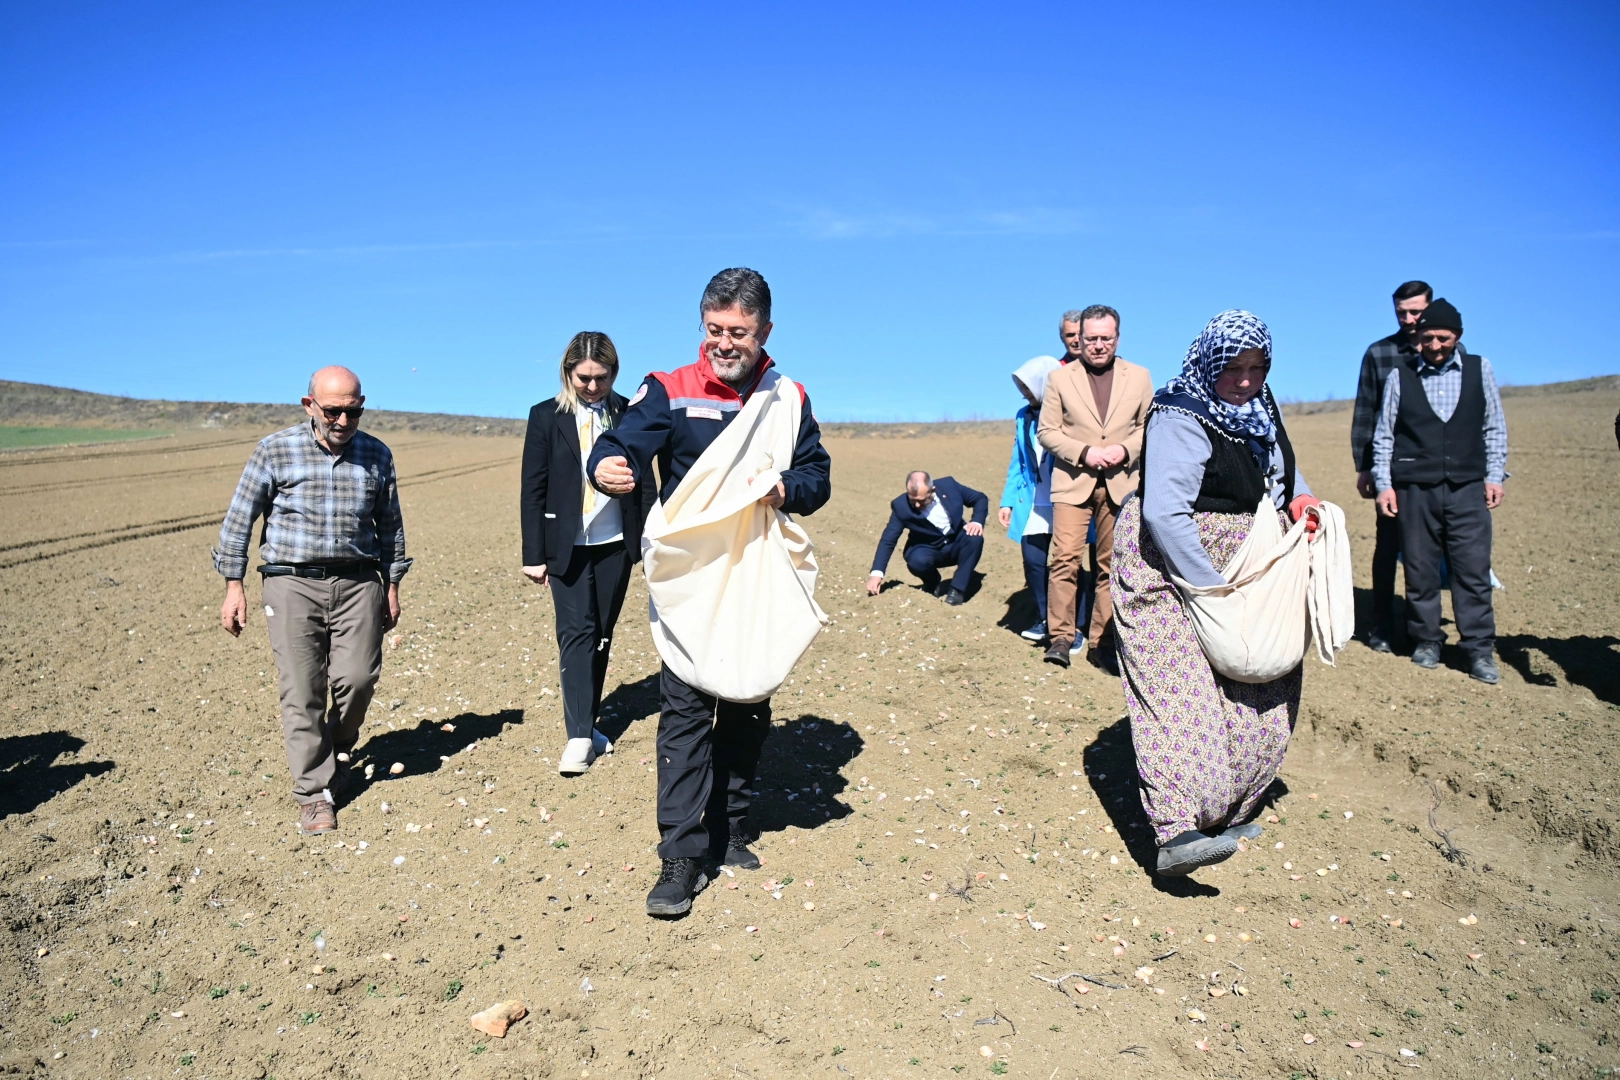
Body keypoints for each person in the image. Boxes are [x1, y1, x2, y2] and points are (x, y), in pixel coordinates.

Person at [588, 267, 831, 916]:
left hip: (756, 573)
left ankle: (733, 826)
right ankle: (680, 855)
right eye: (716, 330)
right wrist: (606, 465)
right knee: (687, 712)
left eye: (740, 333)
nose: (725, 343)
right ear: (703, 326)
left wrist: (785, 487)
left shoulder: (789, 397)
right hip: (692, 582)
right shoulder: (669, 389)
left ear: (765, 331)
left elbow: (817, 477)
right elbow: (619, 444)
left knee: (748, 702)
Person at [1113, 311, 1322, 876]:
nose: (1247, 382)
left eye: (1259, 369)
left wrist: (1298, 500)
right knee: (1178, 691)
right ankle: (1177, 831)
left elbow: (1279, 468)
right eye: (1234, 369)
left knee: (1258, 682)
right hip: (1171, 569)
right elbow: (1164, 511)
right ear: (1210, 362)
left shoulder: (1260, 406)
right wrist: (1210, 589)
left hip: (1249, 563)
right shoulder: (1181, 414)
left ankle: (1230, 811)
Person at [213, 366, 410, 835]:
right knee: (302, 691)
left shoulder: (377, 454)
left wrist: (394, 584)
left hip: (359, 583)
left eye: (353, 411)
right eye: (333, 411)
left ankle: (337, 746)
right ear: (309, 406)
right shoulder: (275, 450)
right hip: (291, 583)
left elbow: (392, 526)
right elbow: (239, 521)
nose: (343, 421)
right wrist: (233, 585)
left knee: (358, 678)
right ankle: (314, 794)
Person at [520, 331, 654, 776]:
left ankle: (588, 722)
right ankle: (578, 736)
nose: (592, 386)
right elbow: (532, 489)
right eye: (583, 378)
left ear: (614, 373)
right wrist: (533, 552)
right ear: (567, 373)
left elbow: (646, 481)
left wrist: (650, 539)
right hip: (567, 545)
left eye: (601, 377)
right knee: (575, 633)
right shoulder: (545, 416)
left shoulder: (629, 415)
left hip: (616, 543)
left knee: (600, 634)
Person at [1372, 298, 1507, 684]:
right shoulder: (1401, 376)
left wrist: (1495, 476)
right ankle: (1427, 641)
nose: (1434, 345)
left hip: (1467, 489)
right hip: (1414, 489)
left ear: (1457, 337)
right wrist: (1385, 485)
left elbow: (1494, 428)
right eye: (1427, 337)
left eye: (1442, 338)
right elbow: (1385, 436)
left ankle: (1479, 650)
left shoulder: (1481, 370)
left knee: (1473, 571)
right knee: (1420, 568)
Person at [1037, 304, 1154, 669]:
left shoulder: (1139, 376)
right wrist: (1084, 452)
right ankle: (1060, 637)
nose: (1099, 345)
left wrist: (1124, 449)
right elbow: (1047, 432)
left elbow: (1149, 429)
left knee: (1110, 565)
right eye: (1091, 339)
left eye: (1106, 338)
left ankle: (1102, 642)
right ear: (1080, 339)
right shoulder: (1060, 379)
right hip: (1074, 482)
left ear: (1118, 338)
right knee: (1064, 559)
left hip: (1121, 484)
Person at [1351, 280, 1430, 652]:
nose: (1409, 319)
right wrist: (1364, 466)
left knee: (1427, 555)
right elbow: (1365, 411)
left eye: (1416, 311)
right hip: (1391, 470)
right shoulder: (1379, 353)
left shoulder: (1448, 351)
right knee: (1388, 548)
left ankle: (1422, 631)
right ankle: (1382, 625)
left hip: (1435, 472)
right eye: (1402, 313)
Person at [998, 356, 1062, 640]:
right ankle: (1043, 618)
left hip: (1065, 501)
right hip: (1032, 501)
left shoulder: (1067, 413)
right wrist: (1007, 501)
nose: (1023, 391)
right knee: (1033, 562)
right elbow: (1018, 462)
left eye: (1027, 385)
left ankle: (1070, 624)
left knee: (1065, 565)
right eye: (1020, 386)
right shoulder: (1023, 416)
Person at [867, 472, 988, 605]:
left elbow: (980, 498)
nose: (917, 505)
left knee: (974, 538)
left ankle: (957, 590)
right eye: (913, 500)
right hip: (928, 548)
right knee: (916, 561)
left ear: (933, 490)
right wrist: (877, 573)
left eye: (921, 500)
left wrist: (977, 521)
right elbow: (888, 540)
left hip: (956, 543)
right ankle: (932, 582)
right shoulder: (901, 506)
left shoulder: (949, 486)